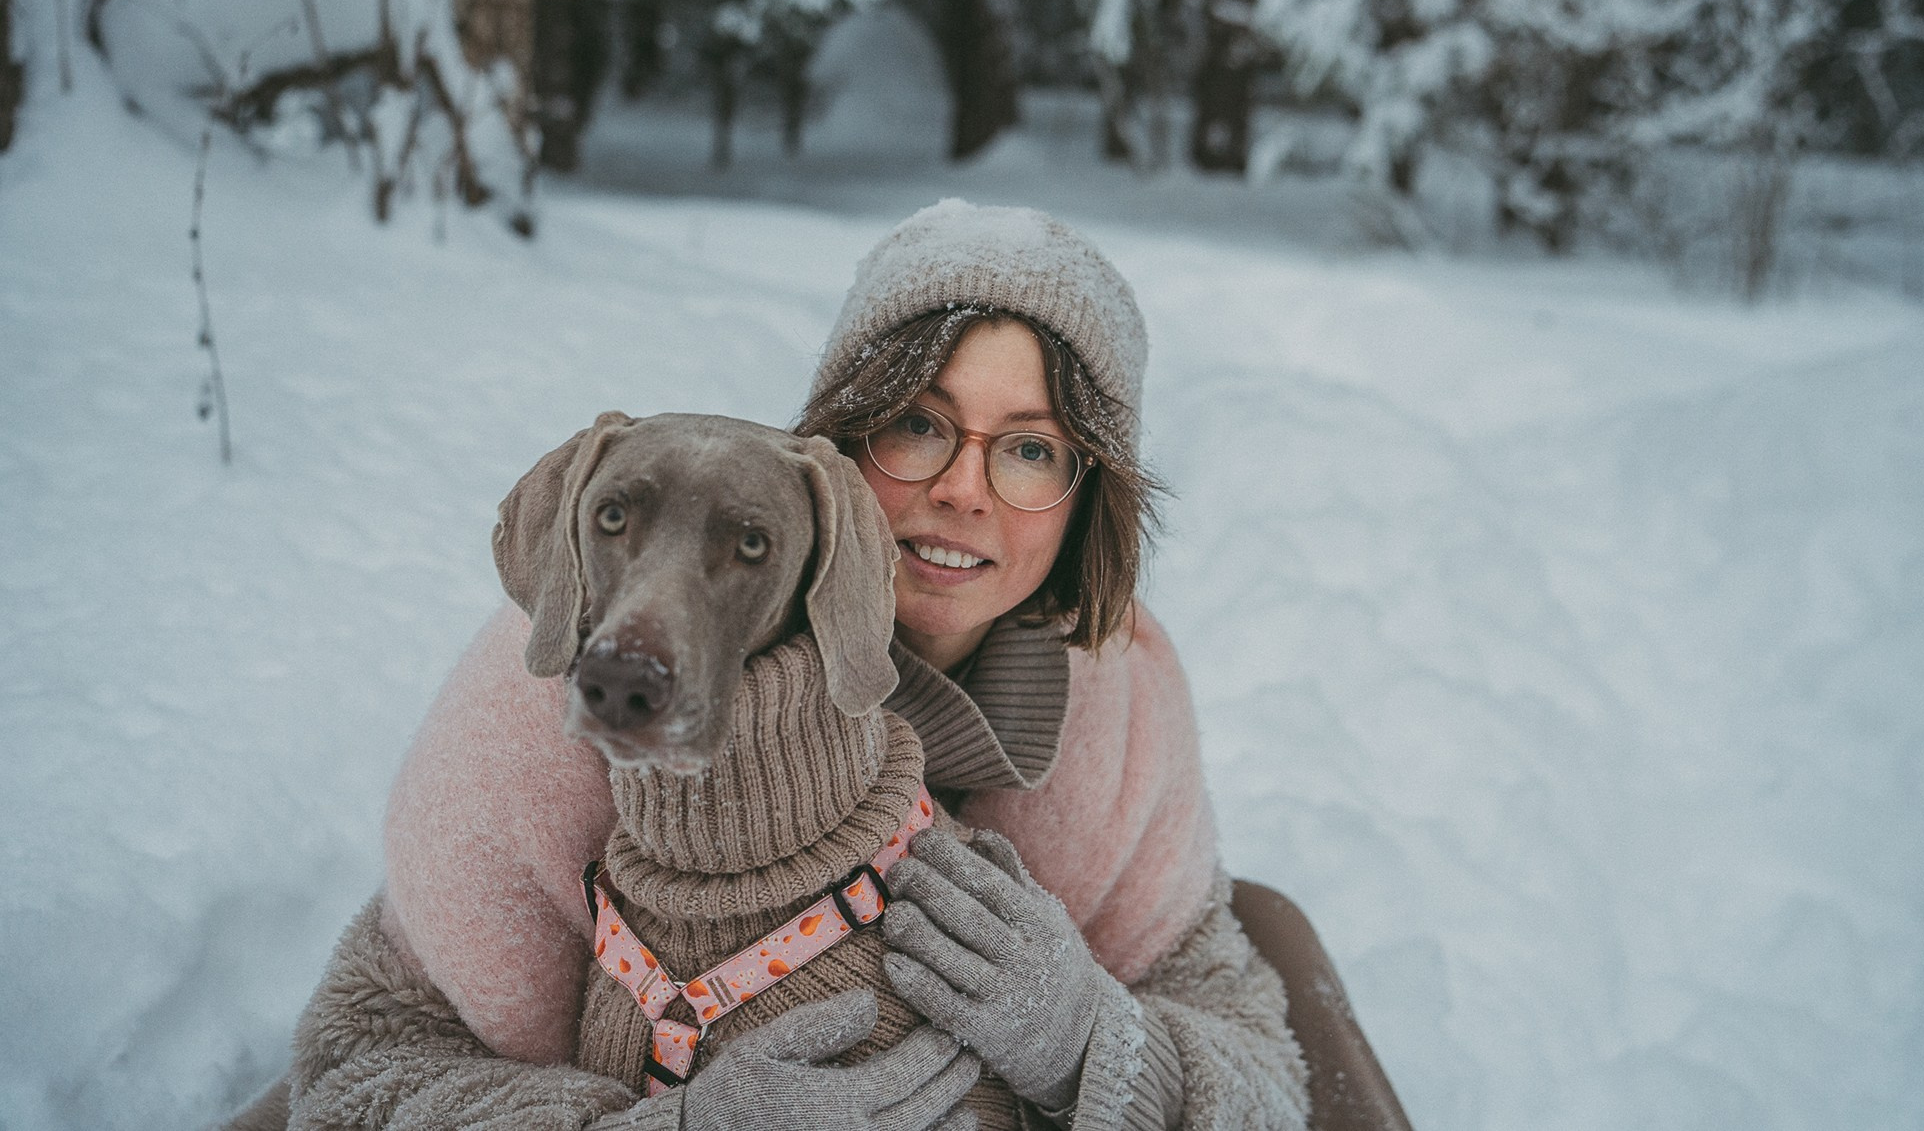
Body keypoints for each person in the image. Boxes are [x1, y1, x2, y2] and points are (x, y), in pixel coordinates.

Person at [269, 200, 1313, 1131]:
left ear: (1088, 501)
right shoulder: (586, 671)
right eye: (917, 423)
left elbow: (1265, 1072)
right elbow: (357, 1064)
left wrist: (1094, 1041)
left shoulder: (1116, 701)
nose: (961, 487)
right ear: (840, 439)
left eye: (1029, 447)